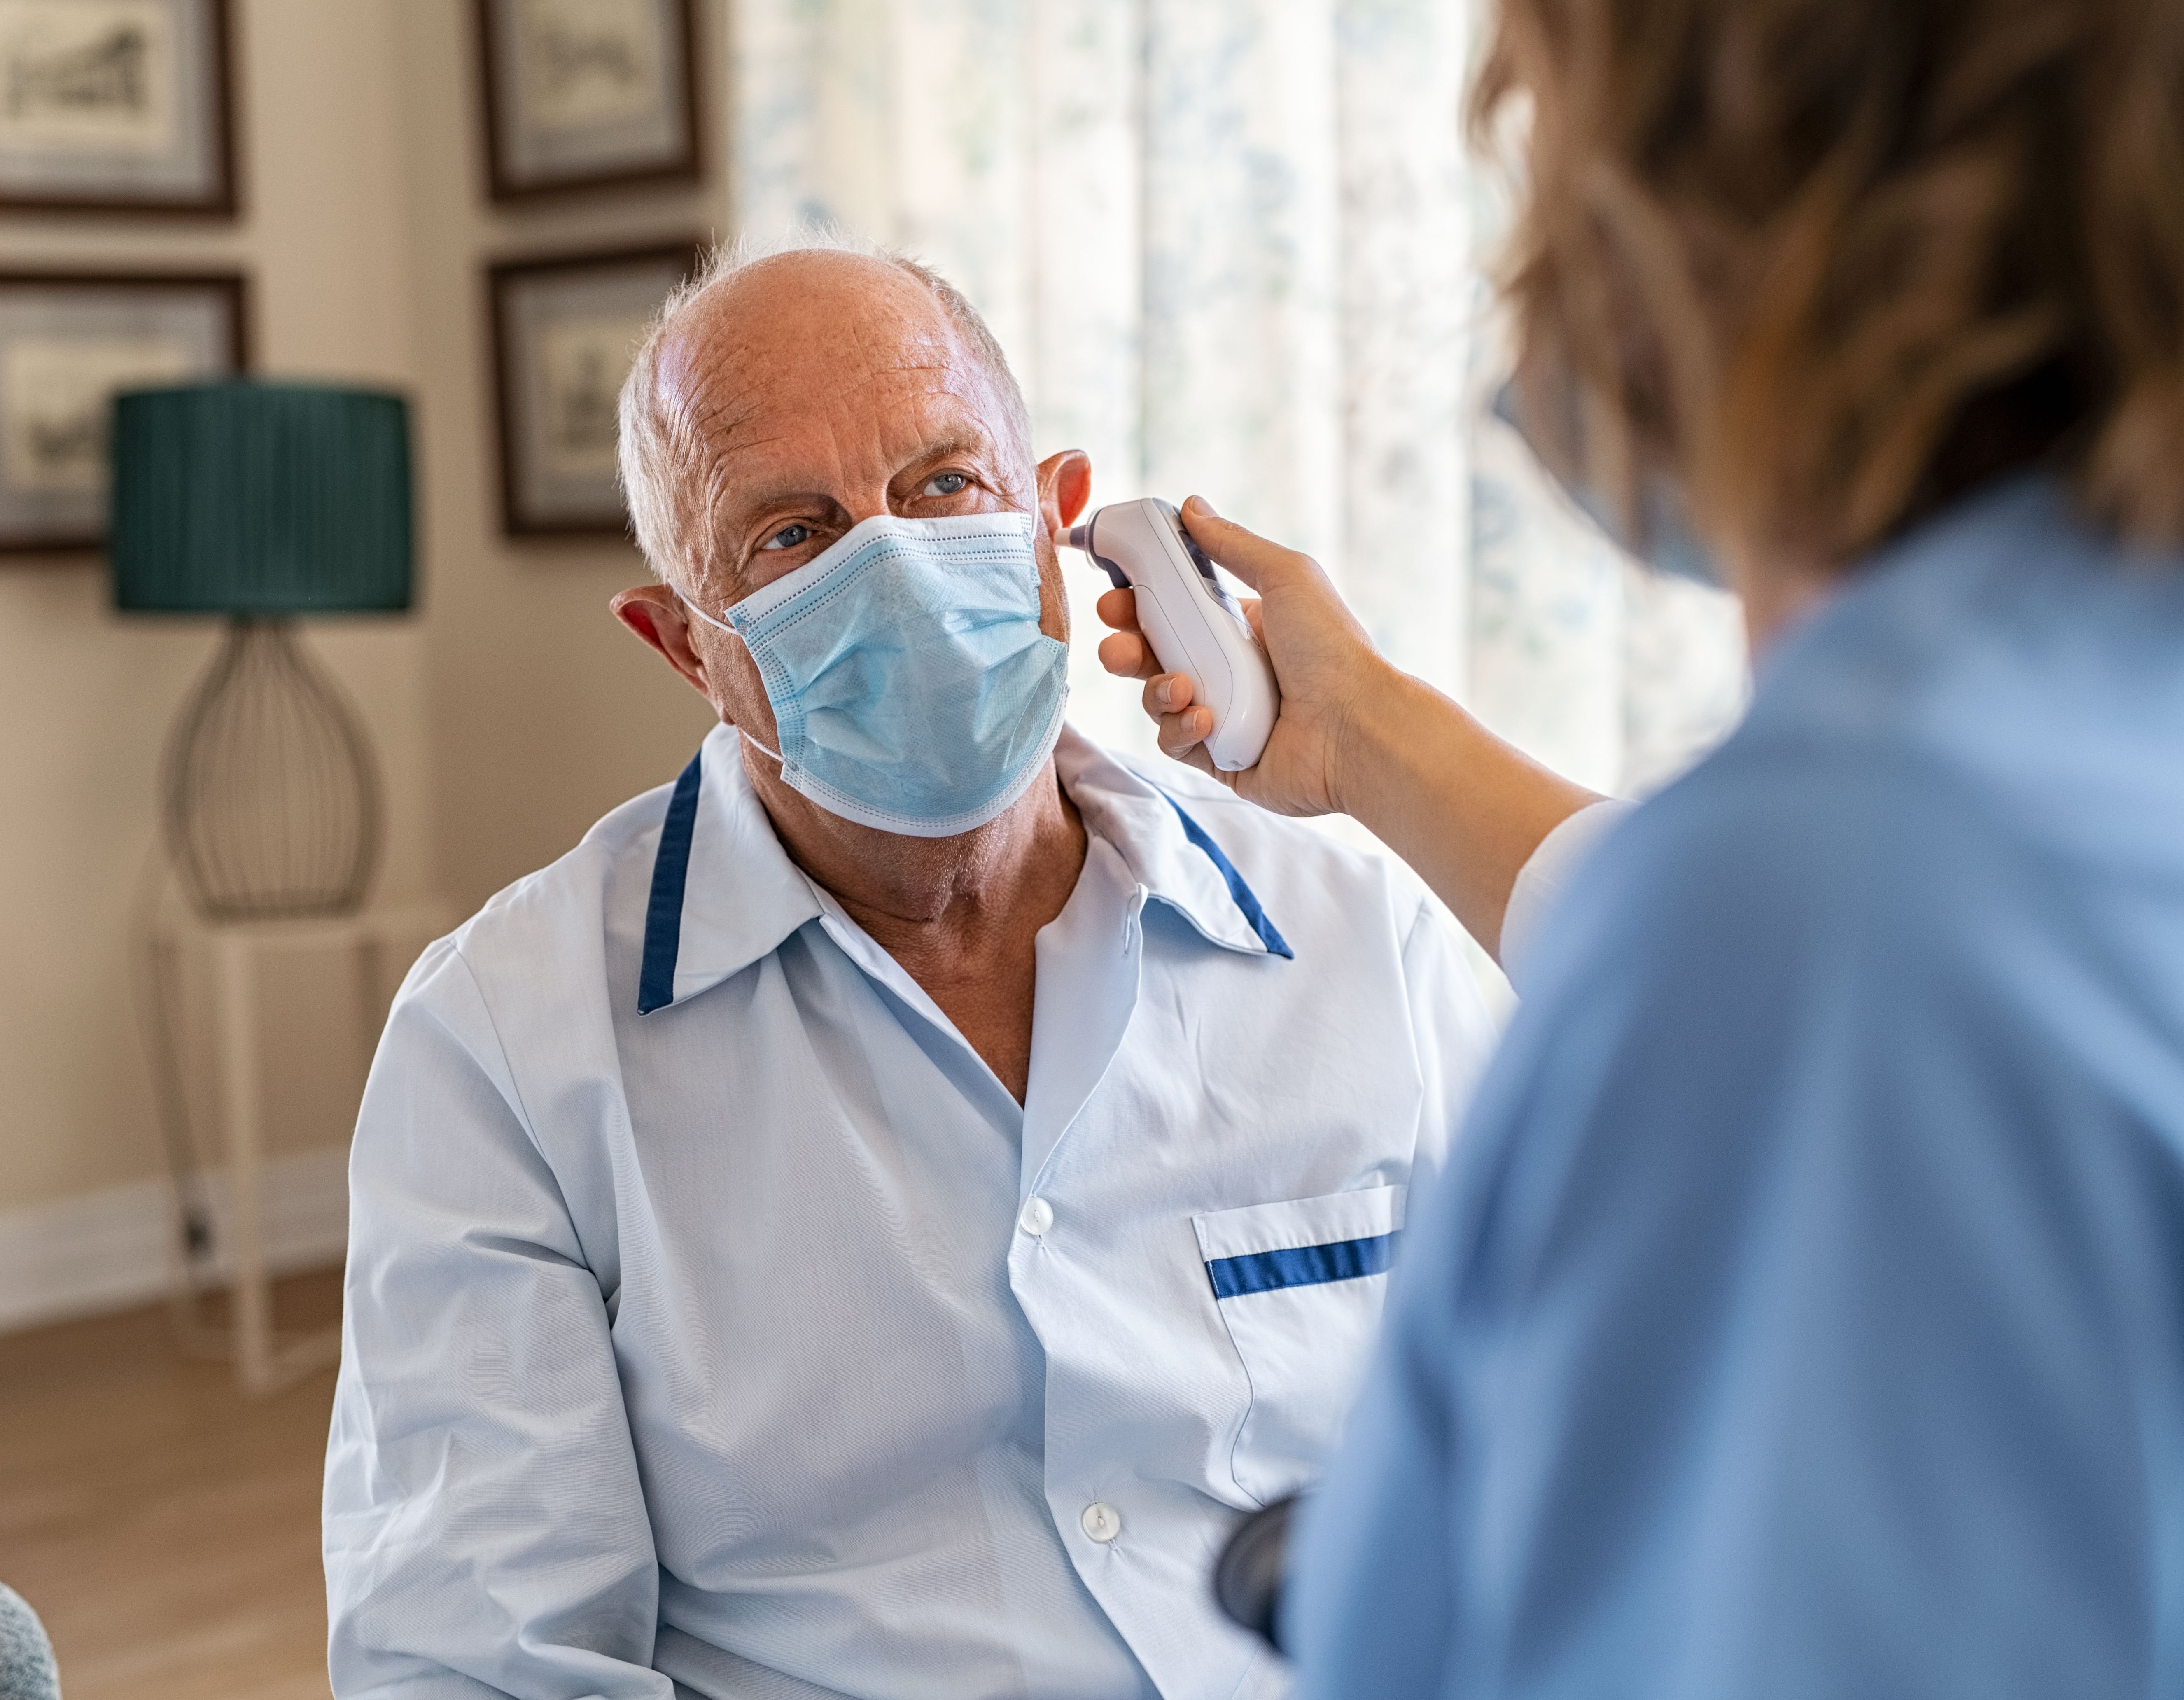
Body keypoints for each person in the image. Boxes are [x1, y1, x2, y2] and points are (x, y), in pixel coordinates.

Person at [1098, 1, 2184, 1693]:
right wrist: (1369, 737)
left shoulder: (1821, 913)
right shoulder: (2049, 751)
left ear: (1706, 211)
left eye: (1534, 126)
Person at [321, 238, 1498, 1700]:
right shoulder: (504, 1044)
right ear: (688, 646)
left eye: (946, 484)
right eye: (793, 536)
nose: (897, 563)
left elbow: (1597, 1442)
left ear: (1062, 521)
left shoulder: (1355, 934)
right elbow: (480, 1667)